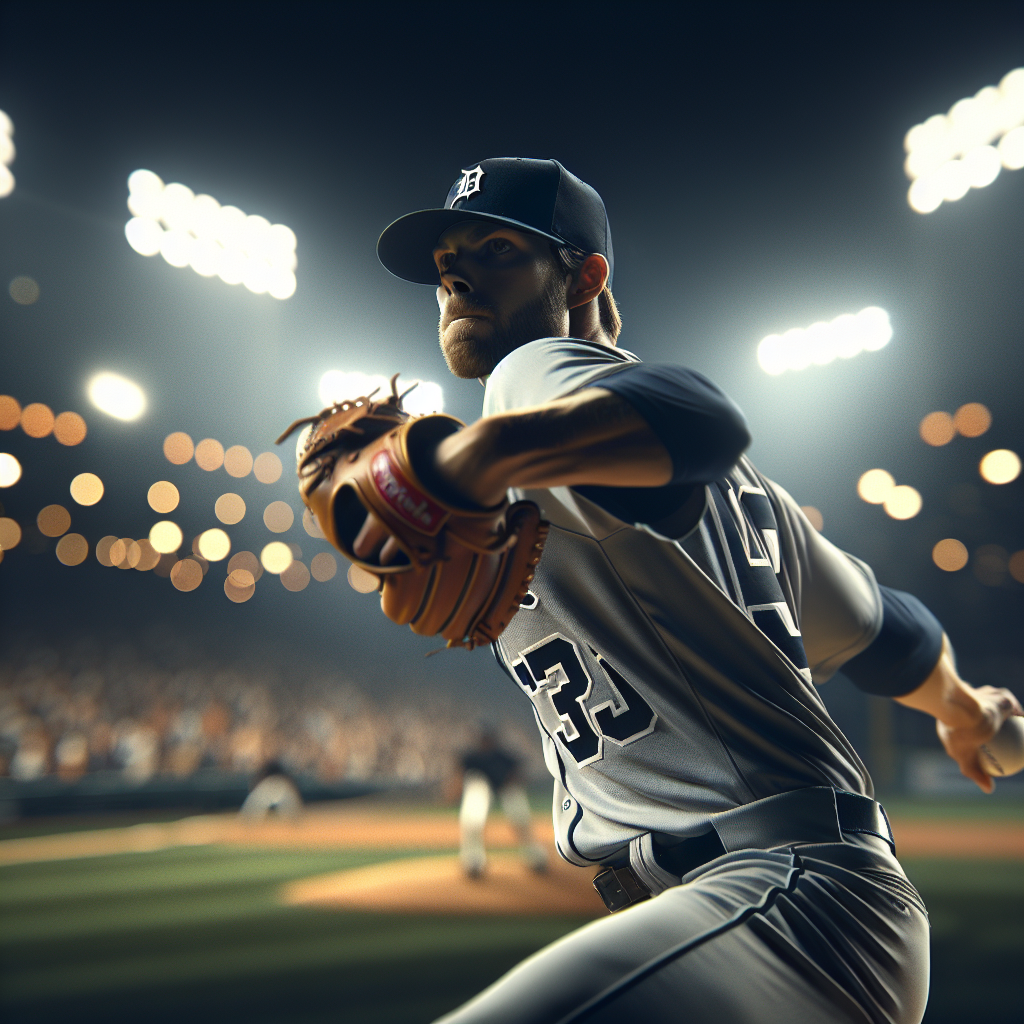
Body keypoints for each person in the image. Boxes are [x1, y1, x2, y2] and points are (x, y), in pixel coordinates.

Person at [357, 158, 1021, 1023]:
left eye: (494, 249)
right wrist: (967, 710)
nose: (454, 274)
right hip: (809, 904)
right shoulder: (755, 499)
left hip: (785, 899)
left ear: (584, 276)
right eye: (448, 259)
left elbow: (698, 419)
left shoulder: (532, 378)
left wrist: (476, 458)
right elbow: (885, 628)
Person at [458, 728, 548, 878]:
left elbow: (519, 774)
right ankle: (473, 860)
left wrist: (513, 782)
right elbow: (459, 776)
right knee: (473, 816)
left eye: (486, 738)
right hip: (482, 789)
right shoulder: (471, 757)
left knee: (520, 815)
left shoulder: (504, 756)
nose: (484, 742)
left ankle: (534, 855)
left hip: (504, 787)